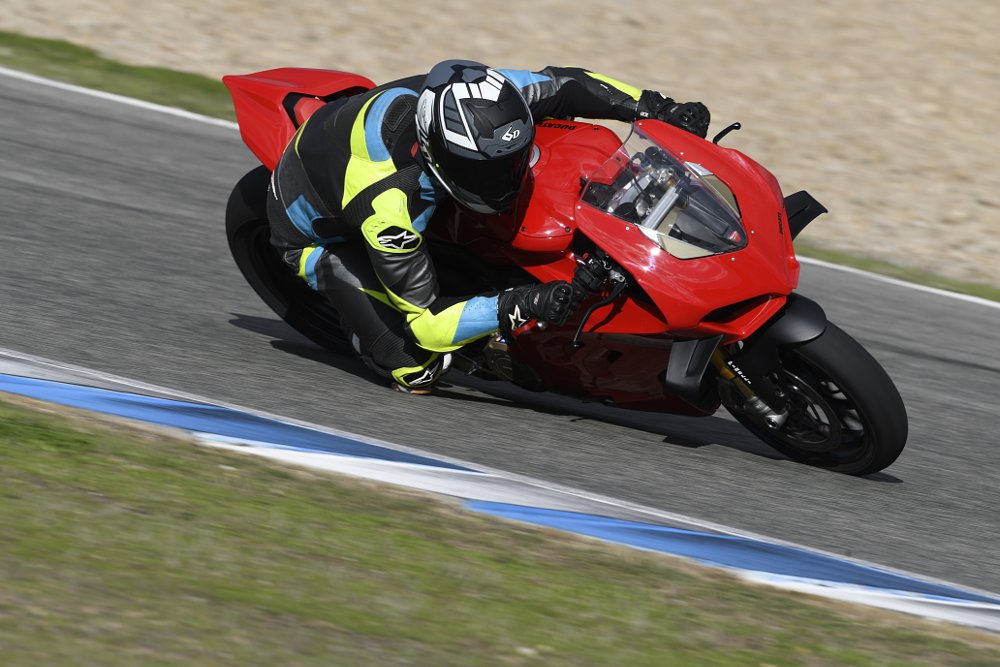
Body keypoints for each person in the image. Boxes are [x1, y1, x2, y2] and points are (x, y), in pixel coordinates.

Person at [266, 60, 710, 393]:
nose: (505, 179)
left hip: (379, 155)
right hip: (318, 235)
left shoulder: (487, 95)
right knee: (416, 366)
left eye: (509, 163)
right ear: (437, 153)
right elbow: (427, 321)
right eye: (486, 171)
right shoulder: (388, 210)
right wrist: (522, 302)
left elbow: (567, 85)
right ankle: (368, 334)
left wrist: (656, 109)